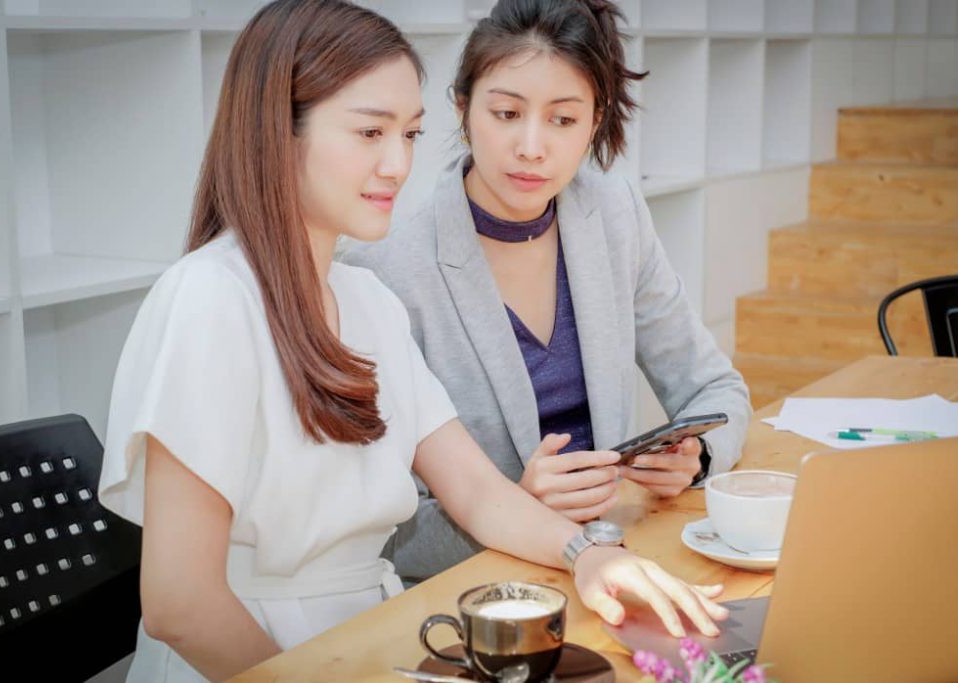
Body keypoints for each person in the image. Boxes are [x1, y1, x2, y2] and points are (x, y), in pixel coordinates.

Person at [97, 1, 728, 681]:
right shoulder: (209, 297)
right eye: (370, 132)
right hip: (255, 659)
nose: (398, 164)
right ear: (276, 132)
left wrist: (592, 554)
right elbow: (179, 605)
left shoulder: (367, 303)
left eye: (409, 134)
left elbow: (479, 493)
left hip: (377, 636)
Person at [343, 0, 752, 584]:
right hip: (479, 594)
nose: (532, 147)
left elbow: (716, 388)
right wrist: (516, 506)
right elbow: (385, 538)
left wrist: (697, 458)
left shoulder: (614, 211)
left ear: (595, 120)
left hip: (618, 554)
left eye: (563, 120)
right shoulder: (385, 266)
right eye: (507, 113)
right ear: (462, 108)